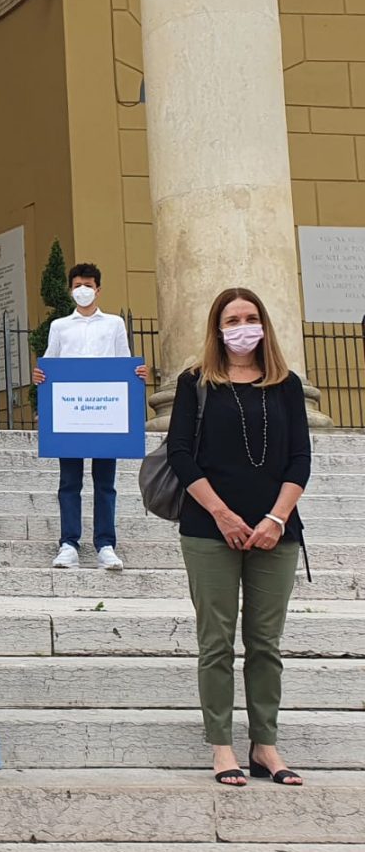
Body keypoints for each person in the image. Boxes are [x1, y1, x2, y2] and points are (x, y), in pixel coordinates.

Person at [167, 287, 310, 787]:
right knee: (216, 642)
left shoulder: (286, 385)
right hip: (210, 529)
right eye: (232, 320)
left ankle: (265, 744)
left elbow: (300, 458)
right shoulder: (195, 383)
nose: (242, 327)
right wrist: (223, 514)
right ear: (217, 328)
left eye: (251, 318)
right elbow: (180, 454)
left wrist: (275, 518)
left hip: (277, 531)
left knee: (266, 643)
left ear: (264, 325)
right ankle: (222, 746)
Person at [31, 263, 147, 571]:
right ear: (71, 289)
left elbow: (123, 361)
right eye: (77, 285)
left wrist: (136, 373)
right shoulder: (59, 326)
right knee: (69, 481)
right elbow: (51, 363)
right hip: (70, 414)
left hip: (105, 413)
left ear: (98, 289)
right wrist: (41, 378)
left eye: (88, 285)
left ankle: (105, 544)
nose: (83, 290)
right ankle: (69, 543)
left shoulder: (113, 324)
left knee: (105, 482)